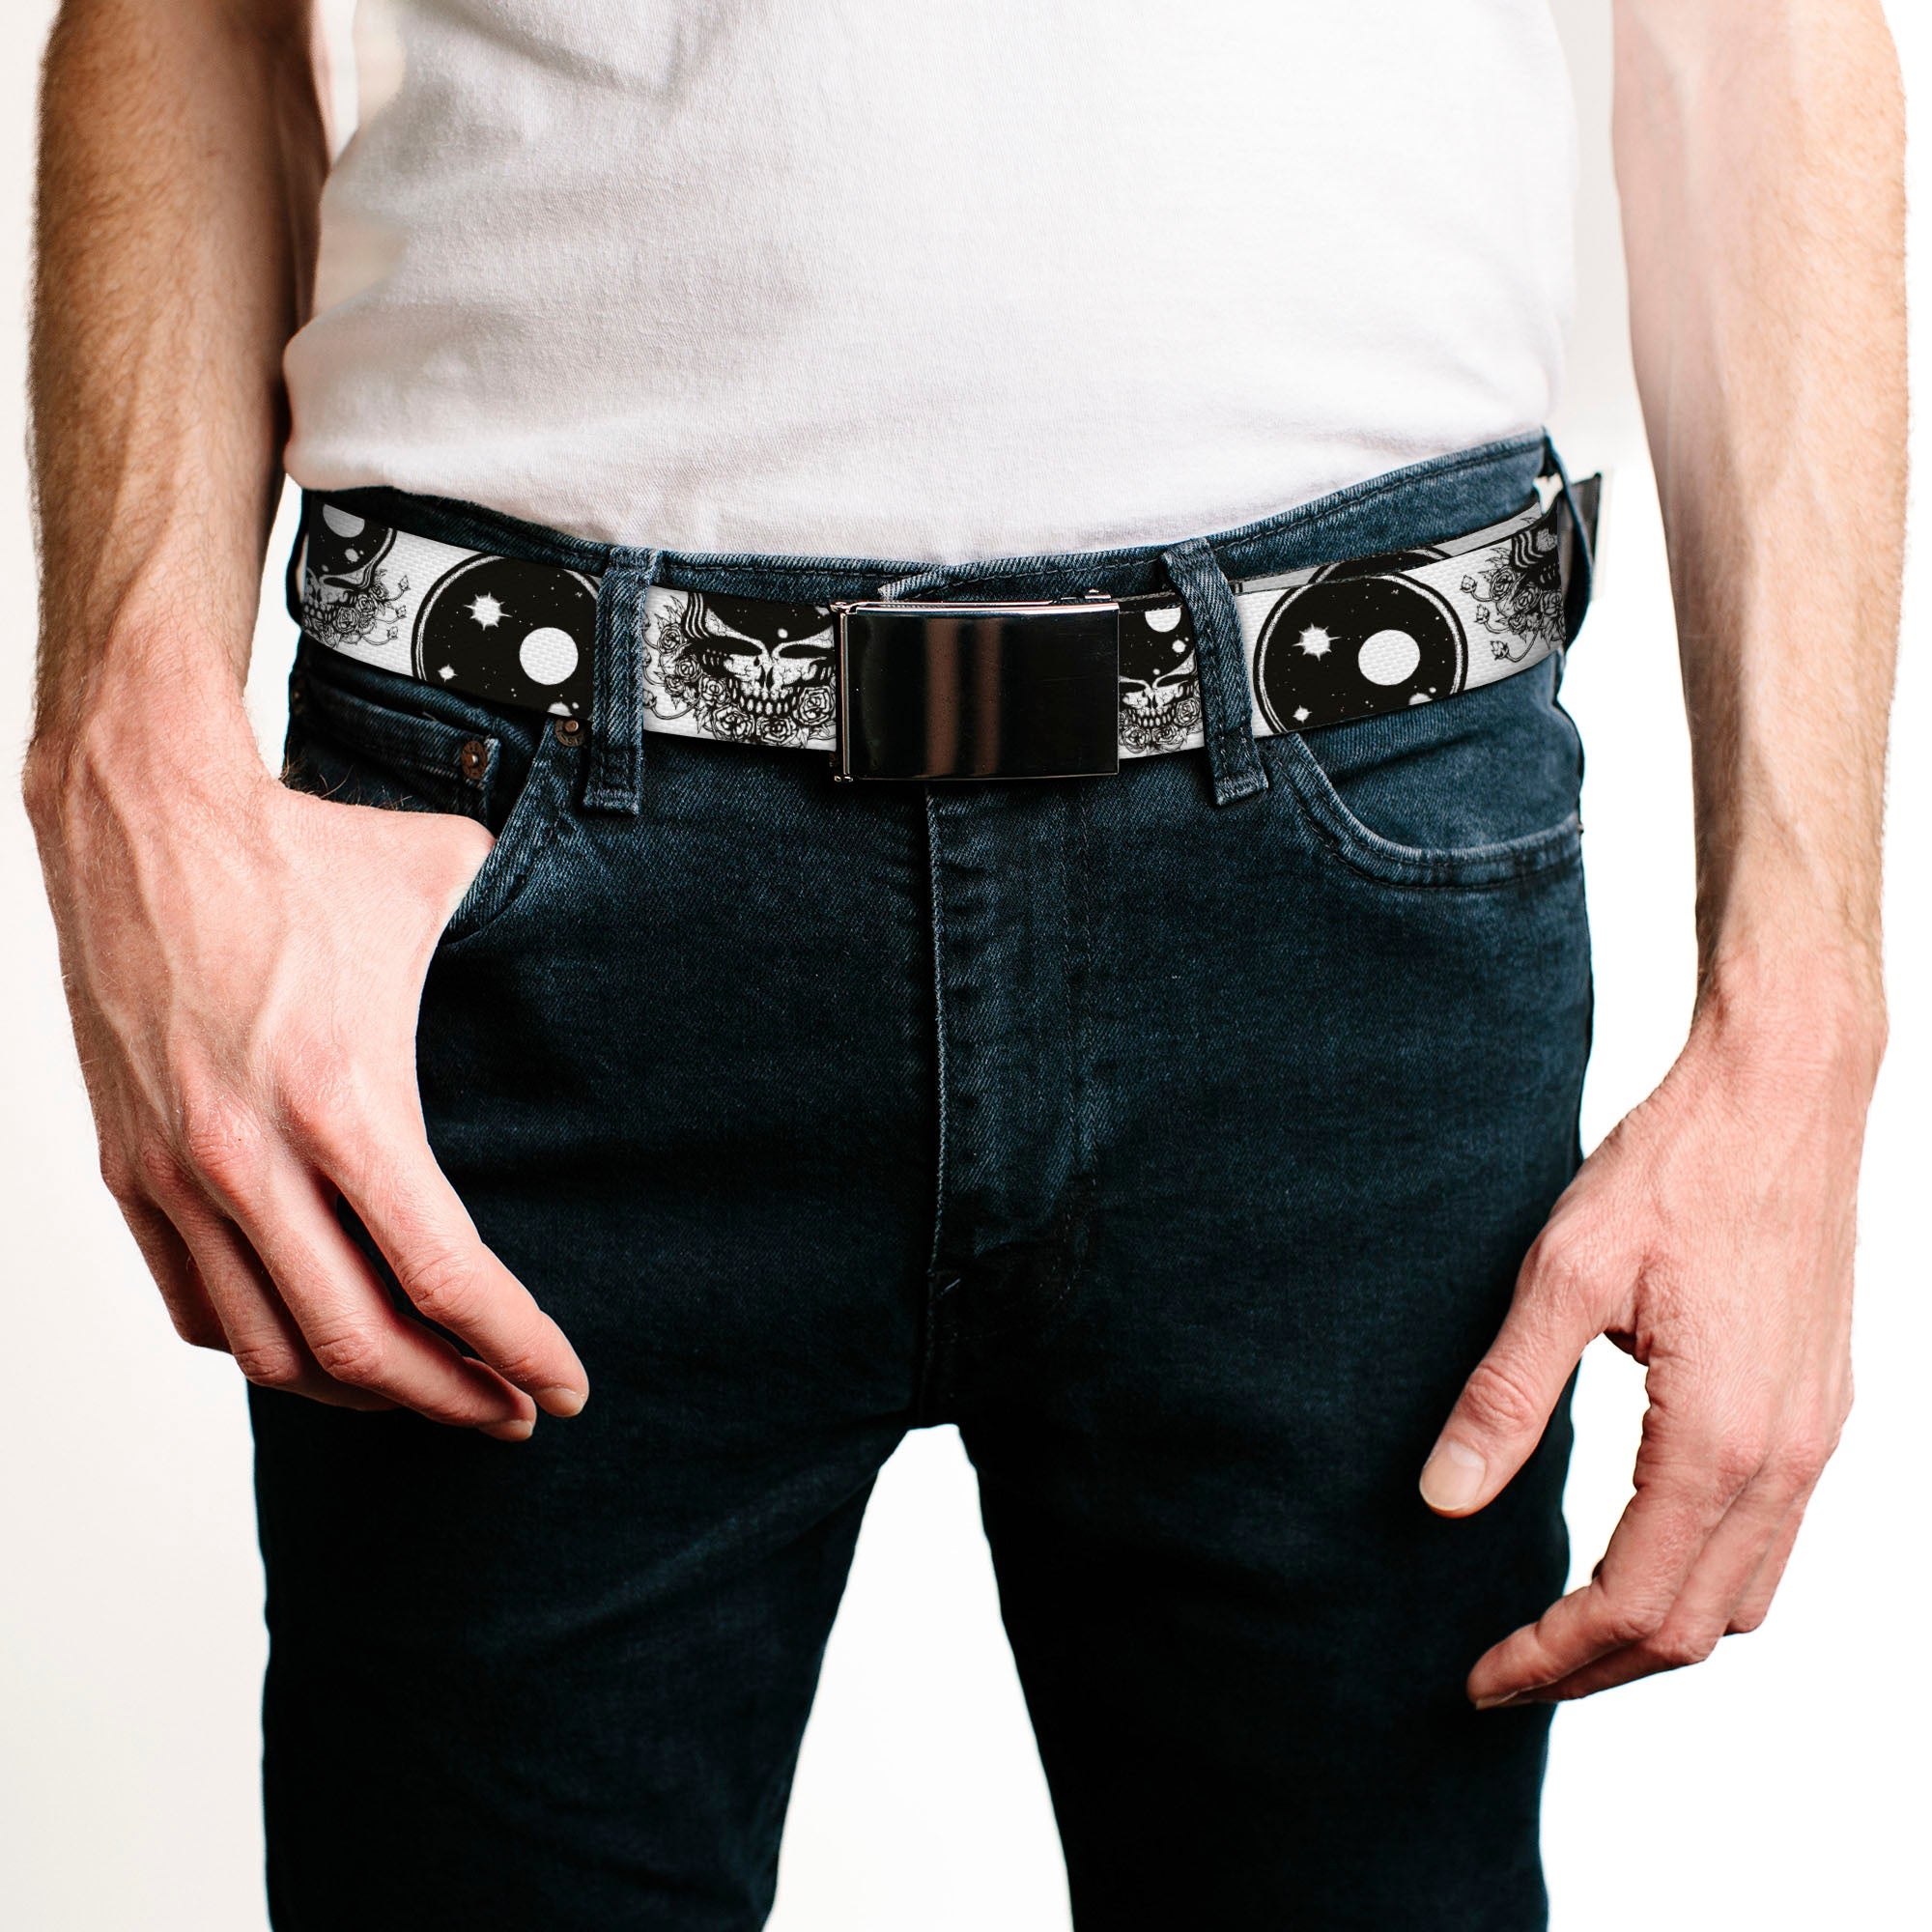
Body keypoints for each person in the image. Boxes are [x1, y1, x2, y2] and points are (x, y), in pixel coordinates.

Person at [23, 1, 1902, 1926]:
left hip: (1344, 868)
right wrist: (121, 757)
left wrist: (1800, 1028)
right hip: (514, 835)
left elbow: (1761, 41)